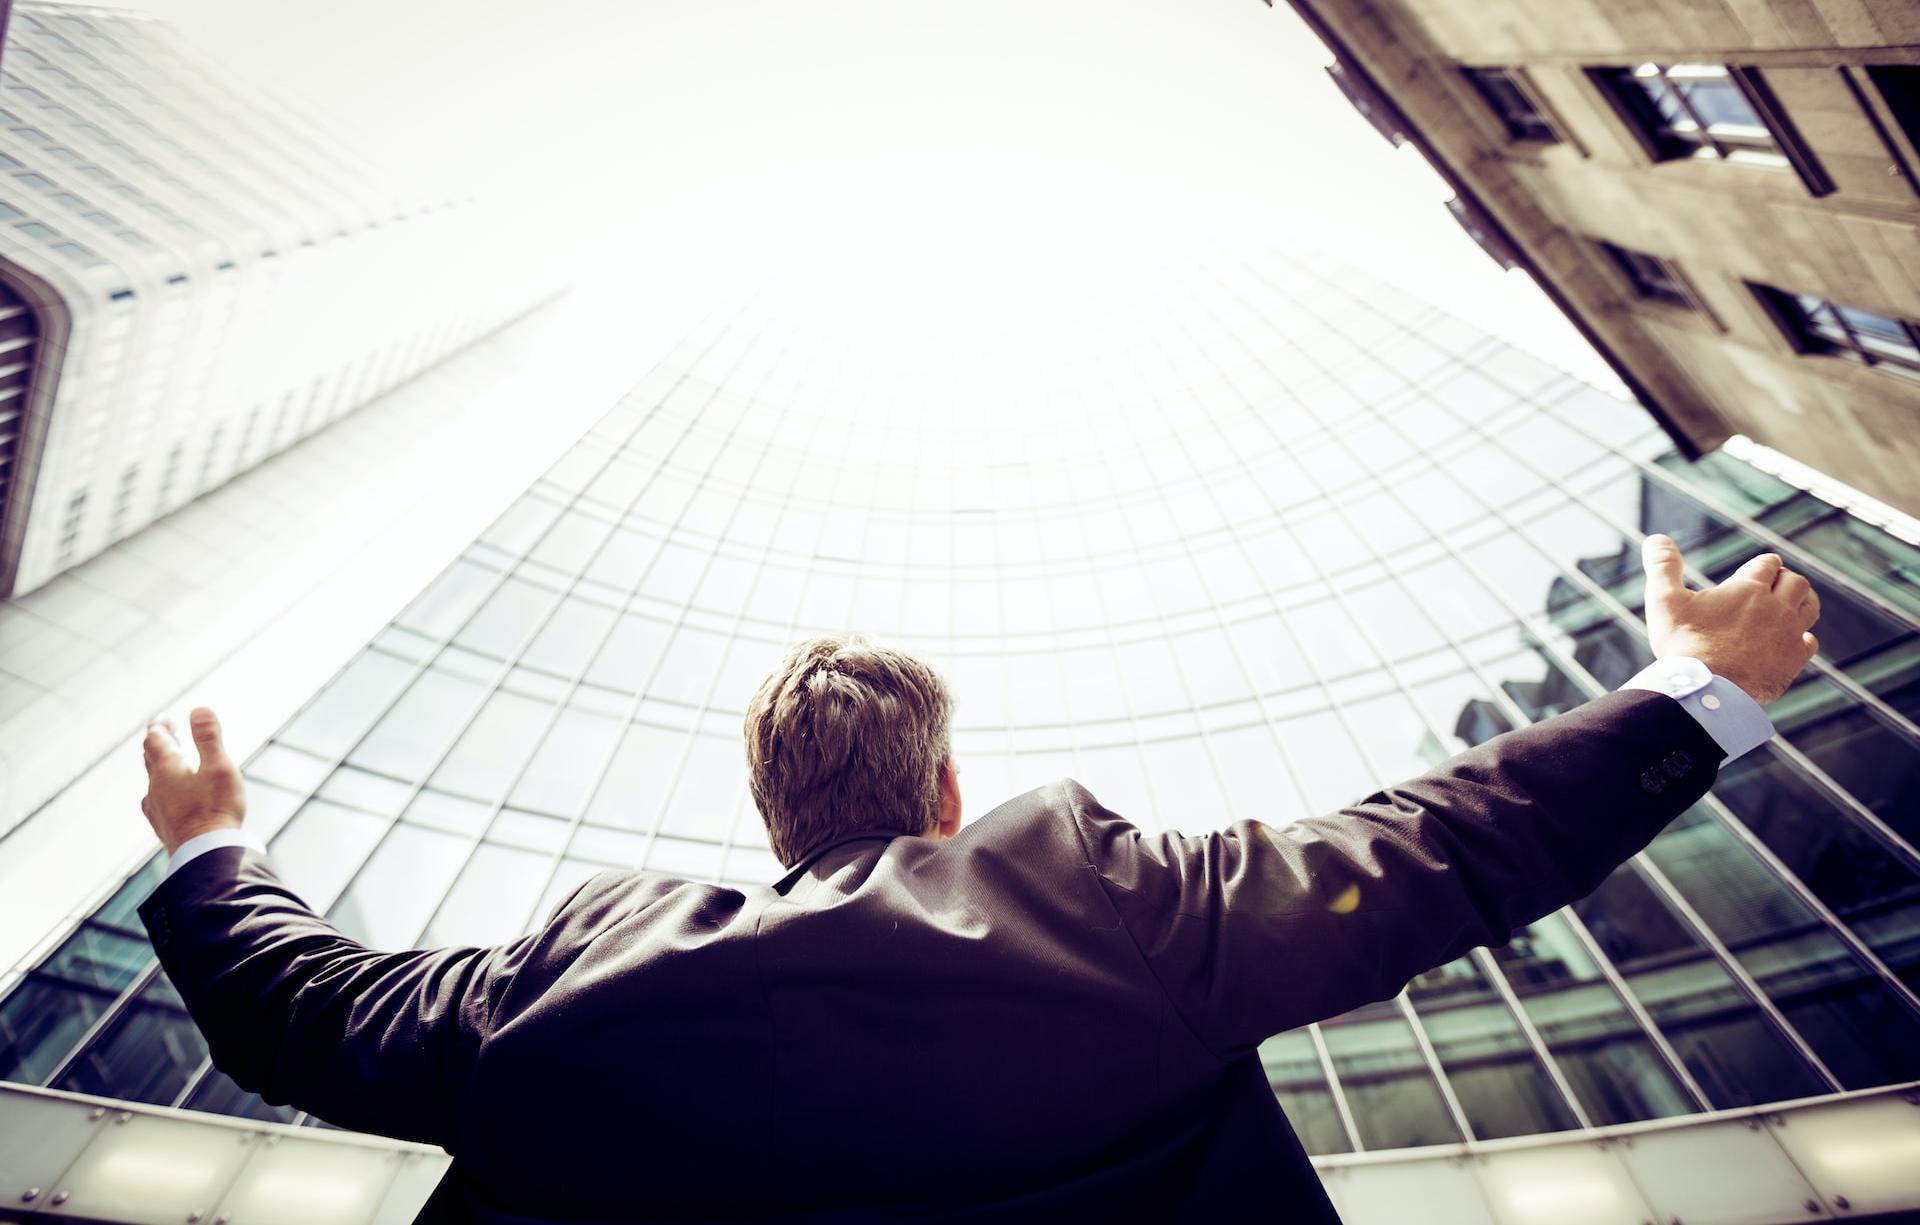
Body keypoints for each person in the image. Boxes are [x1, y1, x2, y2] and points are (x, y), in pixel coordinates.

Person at [136, 534, 1819, 1223]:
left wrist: (215, 838)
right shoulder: (1093, 896)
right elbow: (1429, 849)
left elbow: (296, 1012)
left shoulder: (563, 986)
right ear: (946, 792)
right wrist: (1690, 691)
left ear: (773, 817)